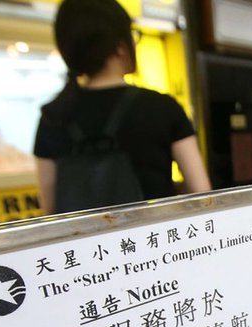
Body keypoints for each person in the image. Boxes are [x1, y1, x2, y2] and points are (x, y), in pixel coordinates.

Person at [33, 0, 210, 213]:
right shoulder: (162, 108)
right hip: (155, 241)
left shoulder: (53, 116)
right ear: (119, 47)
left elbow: (50, 209)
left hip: (88, 245)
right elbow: (201, 195)